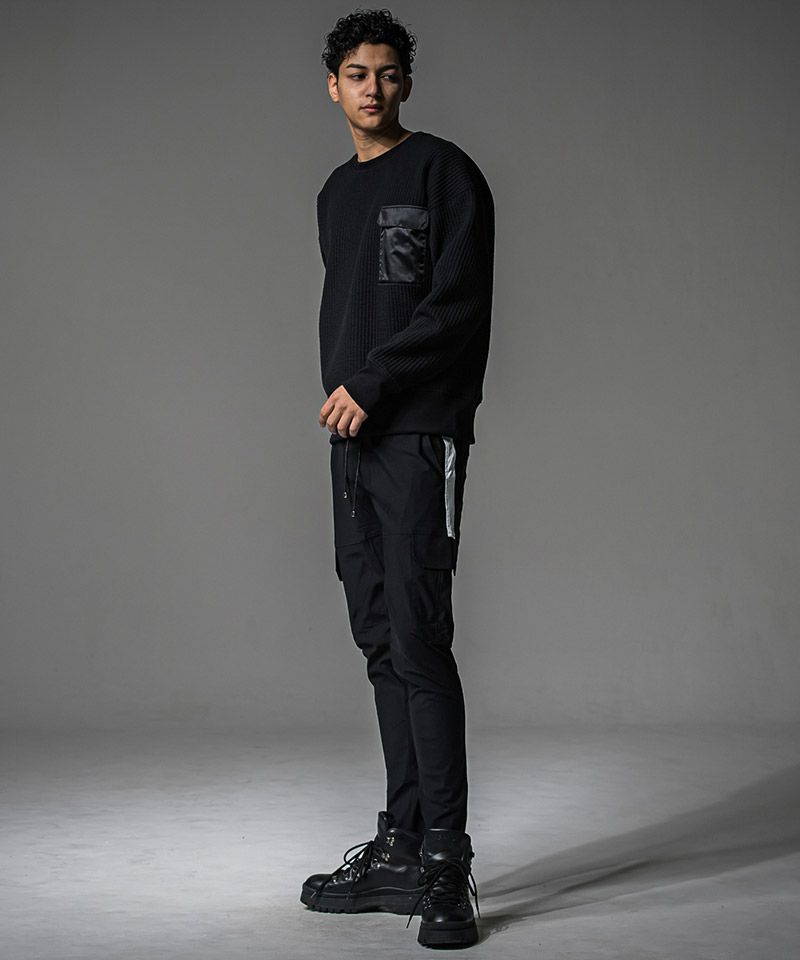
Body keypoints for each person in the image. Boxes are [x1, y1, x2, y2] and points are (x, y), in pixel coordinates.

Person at [300, 8, 494, 950]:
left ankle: (449, 863)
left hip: (418, 435)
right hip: (354, 444)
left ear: (405, 83)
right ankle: (402, 848)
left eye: (386, 72)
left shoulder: (443, 173)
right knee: (379, 640)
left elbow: (452, 308)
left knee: (420, 640)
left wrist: (374, 384)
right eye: (356, 73)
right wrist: (352, 403)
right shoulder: (336, 193)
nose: (372, 87)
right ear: (332, 87)